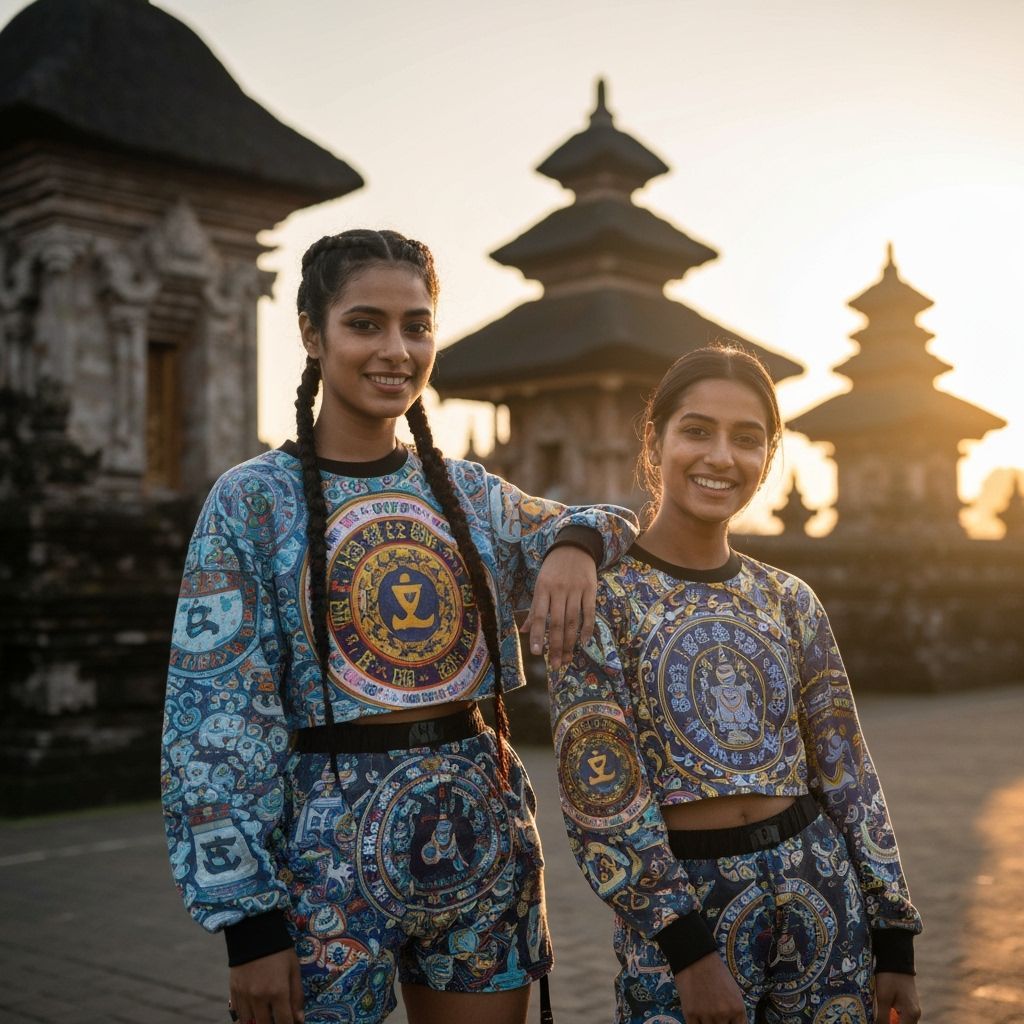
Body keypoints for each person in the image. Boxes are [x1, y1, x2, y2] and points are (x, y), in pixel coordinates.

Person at [161, 228, 638, 1024]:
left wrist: (575, 547)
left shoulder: (470, 493)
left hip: (480, 837)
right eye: (365, 324)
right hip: (322, 858)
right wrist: (249, 924)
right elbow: (212, 721)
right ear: (312, 334)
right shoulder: (251, 501)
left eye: (417, 326)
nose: (396, 350)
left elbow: (609, 519)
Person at [548, 345, 922, 1024]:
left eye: (747, 439)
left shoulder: (788, 599)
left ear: (768, 458)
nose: (721, 457)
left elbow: (849, 772)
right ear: (654, 442)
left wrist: (893, 934)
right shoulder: (600, 601)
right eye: (697, 431)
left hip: (821, 886)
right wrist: (687, 952)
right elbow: (600, 798)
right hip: (685, 912)